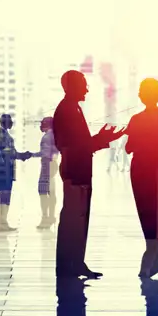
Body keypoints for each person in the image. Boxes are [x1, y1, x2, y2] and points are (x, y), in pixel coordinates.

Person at [53, 70, 125, 279]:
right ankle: (70, 264)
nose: (86, 88)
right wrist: (102, 139)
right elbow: (74, 145)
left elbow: (79, 144)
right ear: (72, 86)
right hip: (76, 172)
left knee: (78, 218)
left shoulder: (71, 108)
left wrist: (101, 139)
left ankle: (74, 263)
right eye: (83, 84)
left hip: (78, 170)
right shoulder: (67, 110)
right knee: (74, 219)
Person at [125, 78, 158, 278]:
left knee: (147, 211)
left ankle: (150, 255)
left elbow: (129, 147)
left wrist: (144, 142)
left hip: (141, 167)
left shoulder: (136, 119)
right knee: (155, 212)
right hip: (153, 167)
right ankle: (156, 258)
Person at [0, 114, 31, 232]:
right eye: (10, 121)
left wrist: (21, 155)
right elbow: (11, 154)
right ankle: (2, 223)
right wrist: (23, 155)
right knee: (5, 197)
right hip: (5, 172)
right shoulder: (7, 138)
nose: (11, 123)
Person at [29, 116, 60, 229]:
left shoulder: (47, 137)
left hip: (47, 164)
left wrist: (31, 154)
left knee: (42, 191)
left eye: (42, 123)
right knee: (51, 191)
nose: (41, 125)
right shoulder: (55, 135)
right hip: (53, 164)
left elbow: (45, 153)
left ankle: (45, 218)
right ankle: (51, 216)